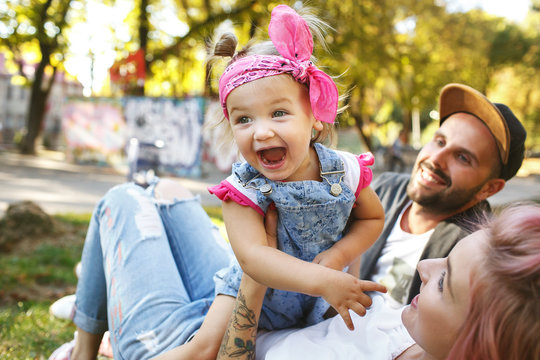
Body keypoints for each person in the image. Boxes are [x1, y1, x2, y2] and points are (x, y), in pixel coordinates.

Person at [207, 3, 384, 335]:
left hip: (324, 301)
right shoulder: (243, 187)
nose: (261, 131)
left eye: (278, 113)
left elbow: (372, 218)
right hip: (253, 301)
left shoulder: (343, 171)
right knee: (200, 350)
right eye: (243, 119)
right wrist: (322, 280)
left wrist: (339, 254)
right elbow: (253, 258)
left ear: (314, 114)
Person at [217, 203, 540, 360]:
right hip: (256, 308)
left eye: (444, 283)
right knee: (172, 196)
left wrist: (256, 271)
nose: (424, 267)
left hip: (217, 330)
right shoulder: (413, 329)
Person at [359, 83, 527, 308]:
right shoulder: (383, 189)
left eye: (462, 157)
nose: (436, 158)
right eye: (439, 141)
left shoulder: (477, 251)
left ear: (489, 189)